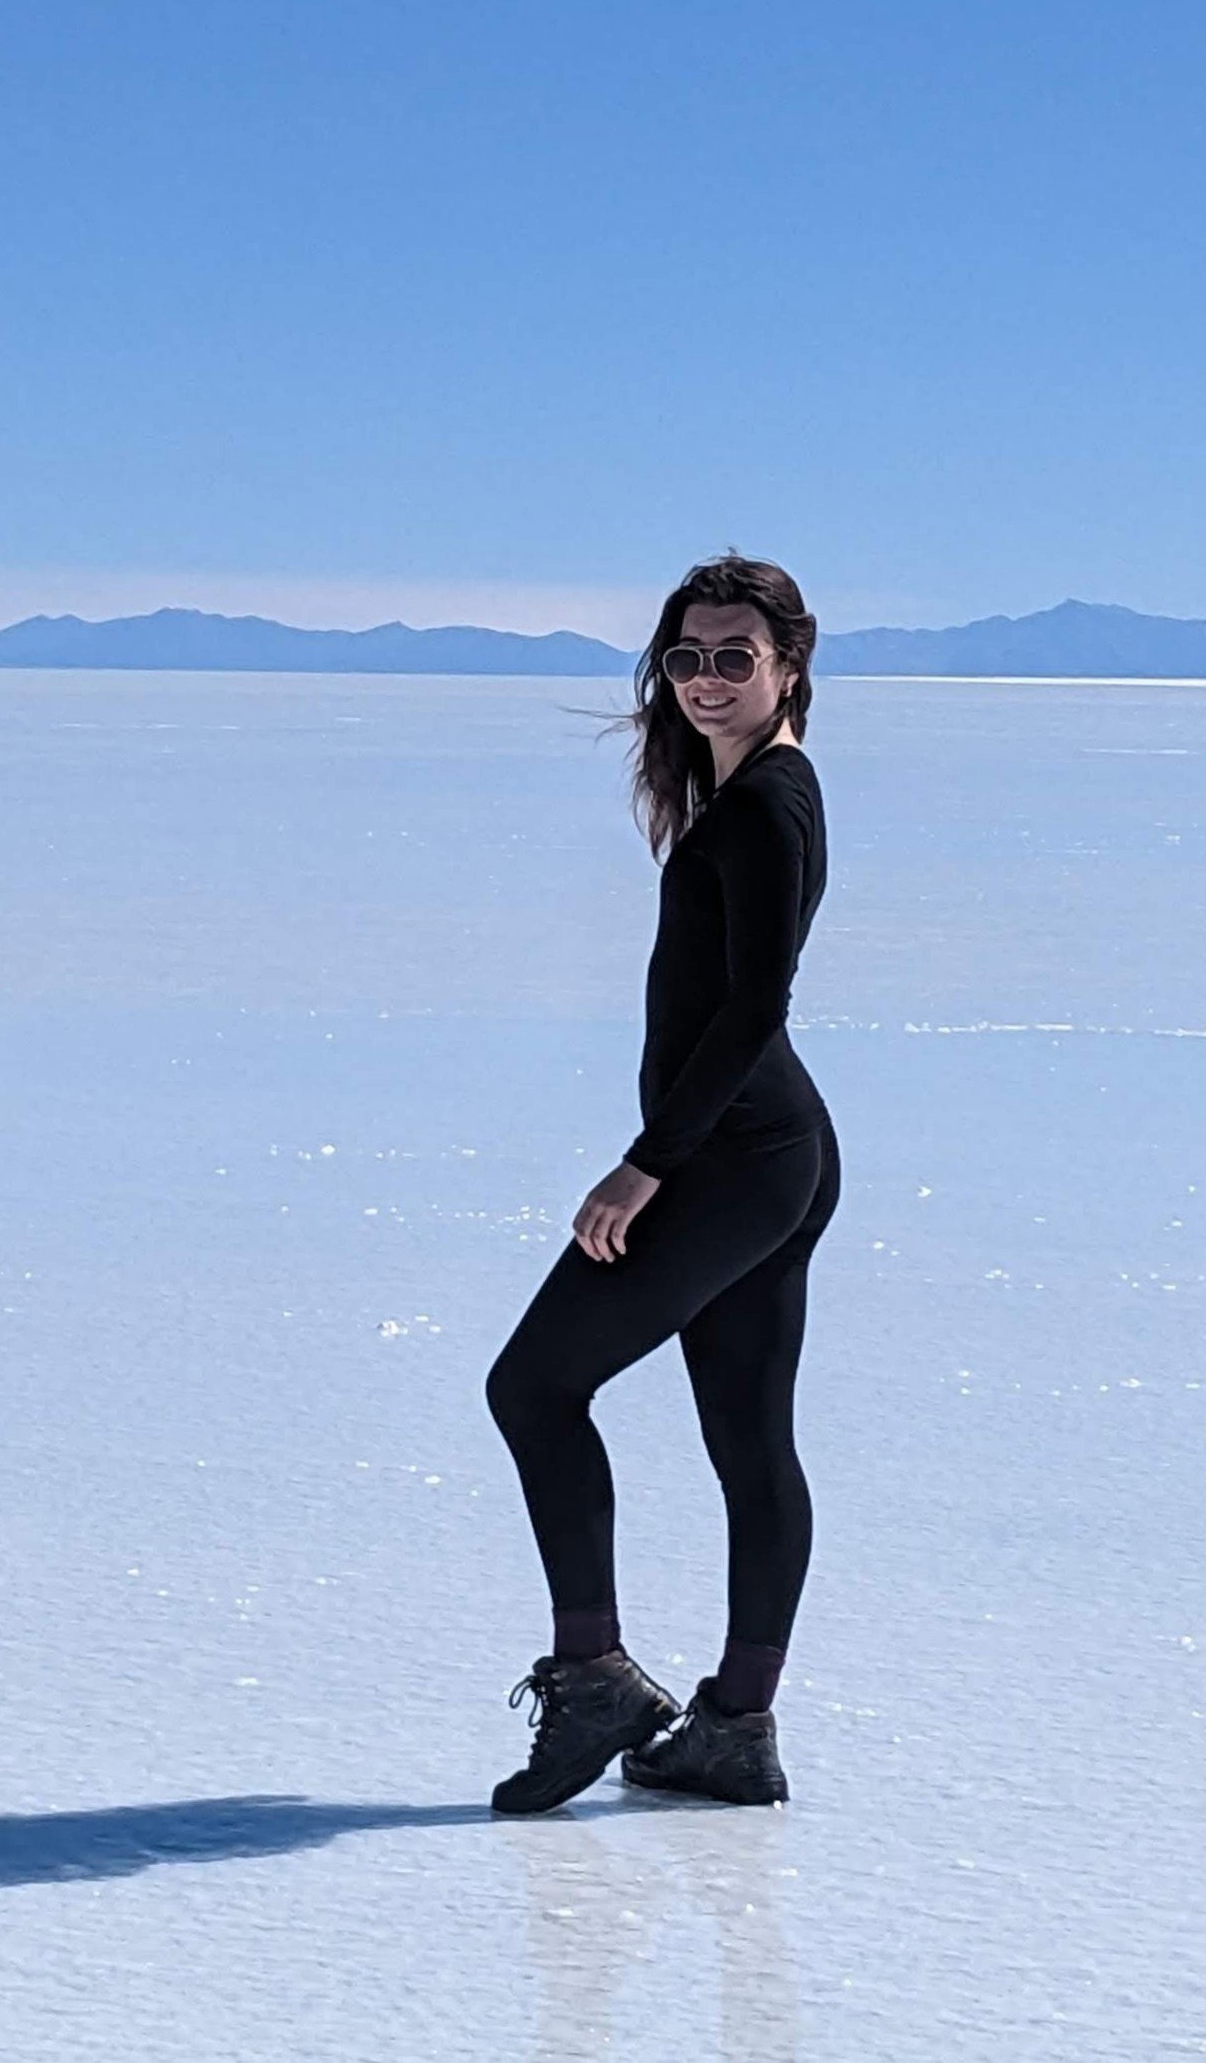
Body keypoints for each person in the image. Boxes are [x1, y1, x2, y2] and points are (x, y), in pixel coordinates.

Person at [485, 553, 840, 1815]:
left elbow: (753, 1006)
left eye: (732, 657)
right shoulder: (748, 792)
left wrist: (648, 1165)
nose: (702, 681)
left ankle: (597, 1680)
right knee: (748, 1444)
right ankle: (731, 1729)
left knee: (532, 1386)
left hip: (736, 1161)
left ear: (789, 664)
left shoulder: (766, 807)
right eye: (684, 658)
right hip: (768, 1157)